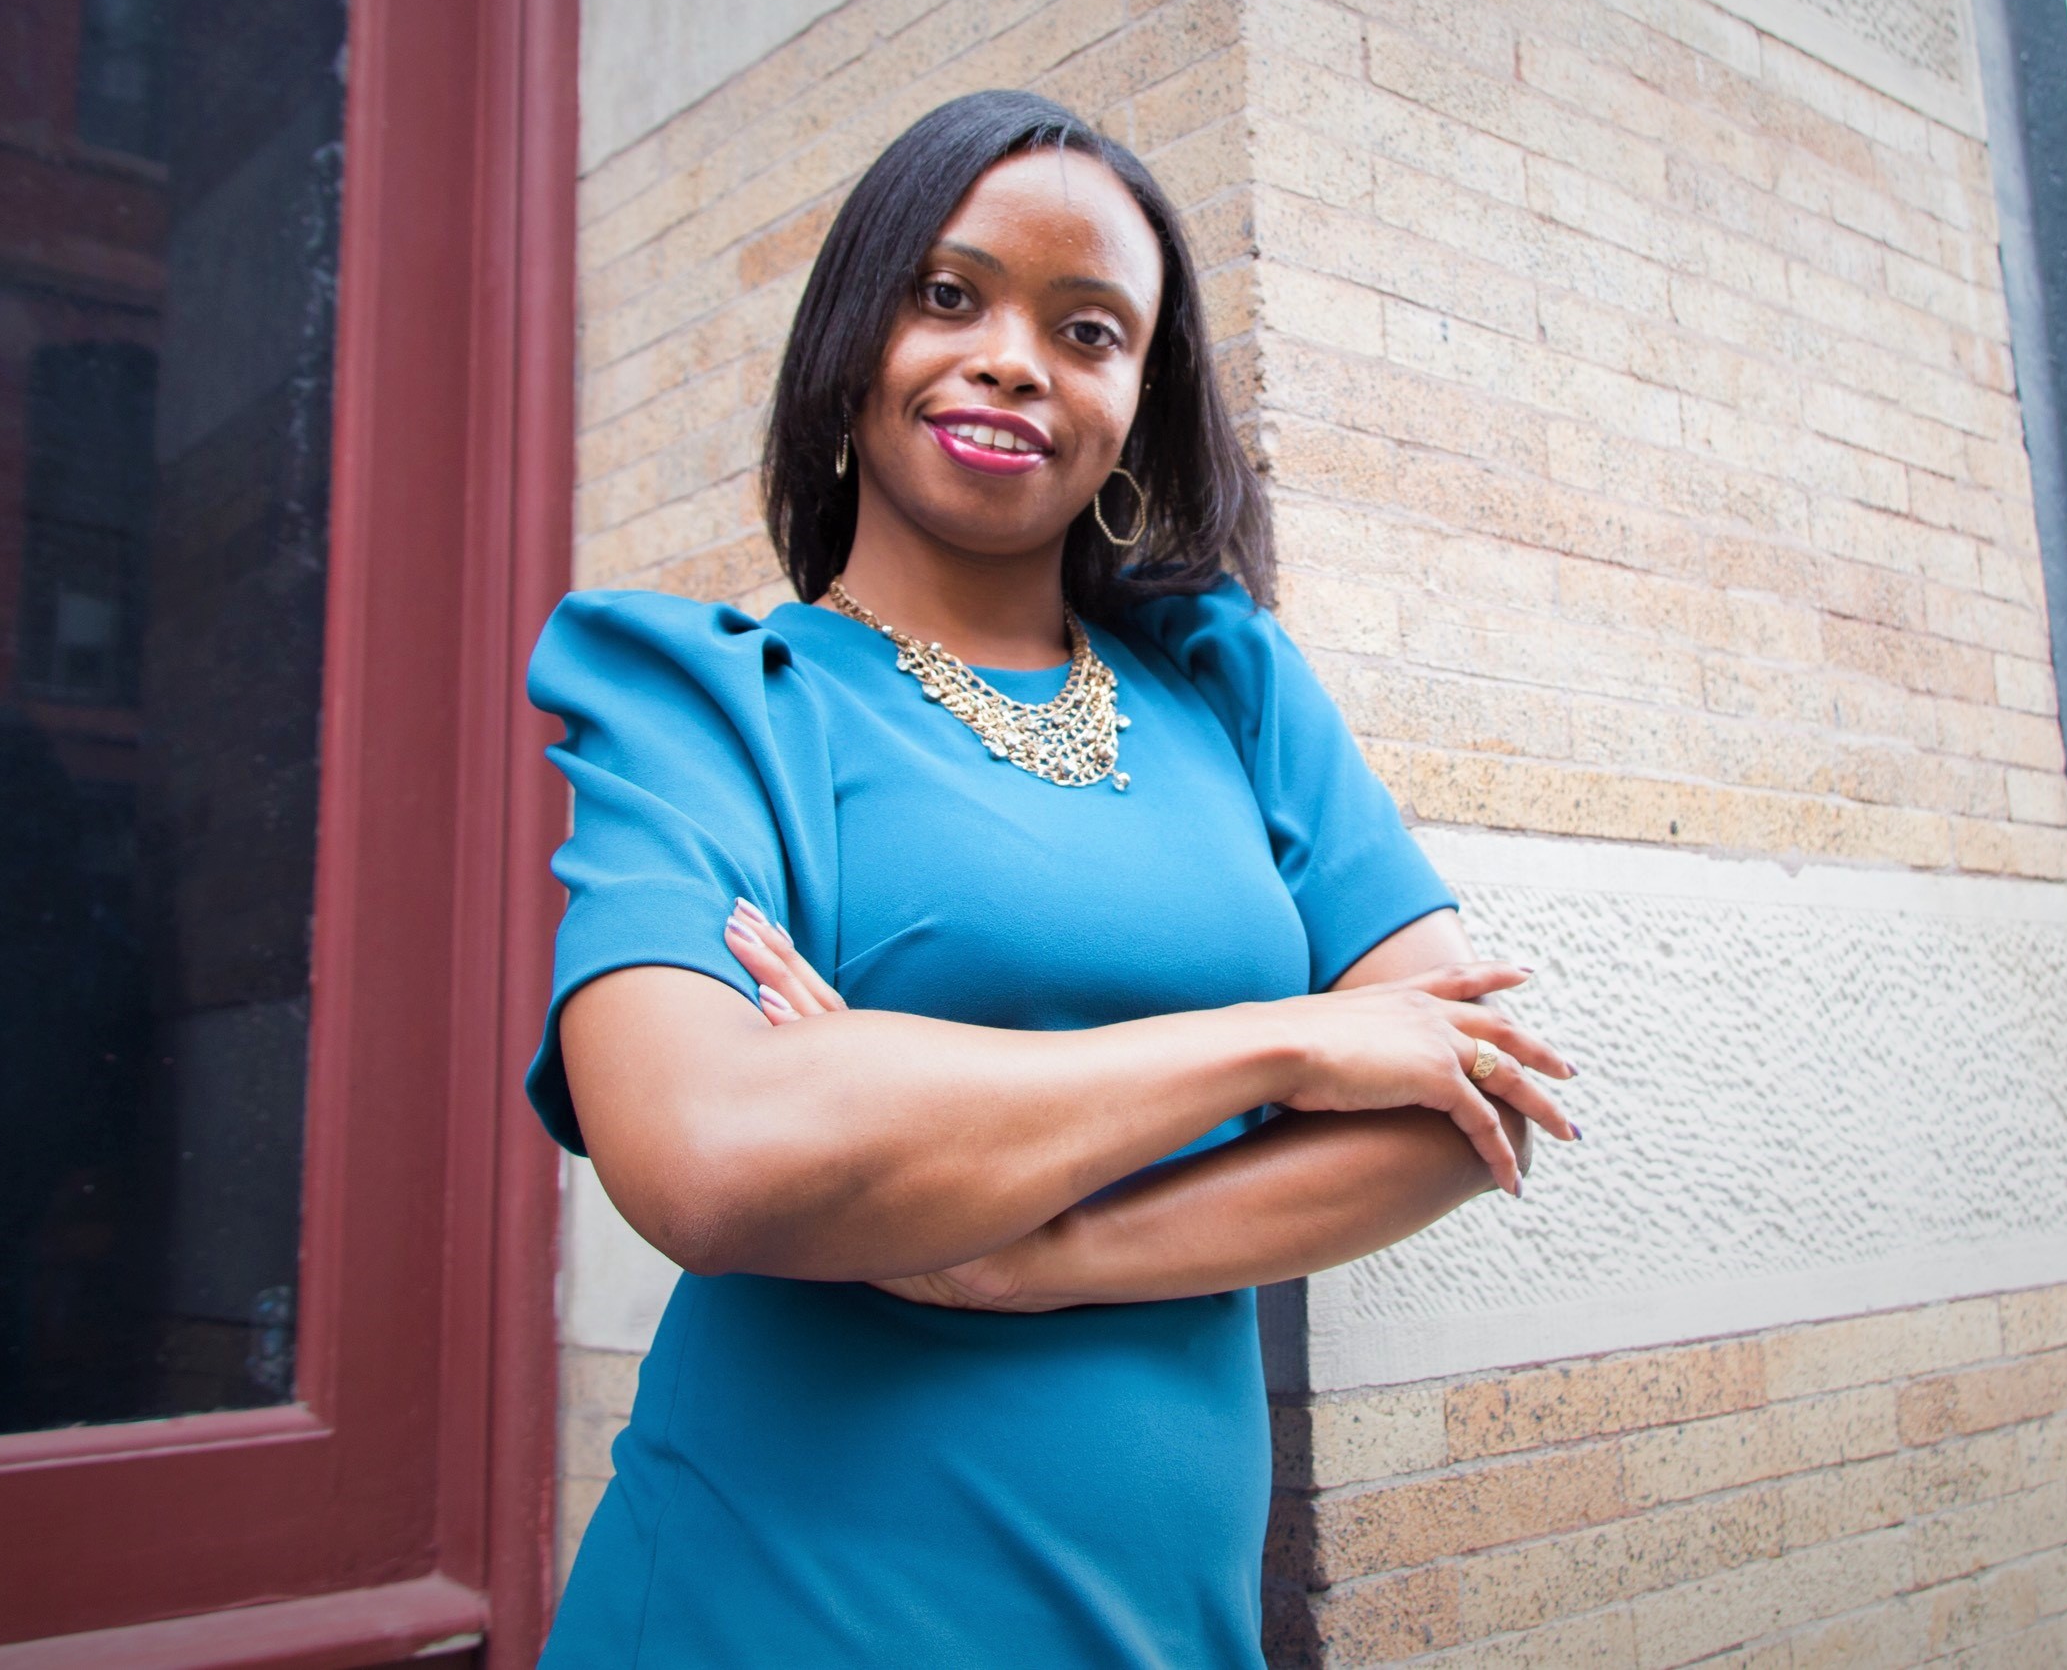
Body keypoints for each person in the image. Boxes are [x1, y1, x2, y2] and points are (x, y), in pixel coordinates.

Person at [527, 89, 1577, 1667]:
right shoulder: (704, 700)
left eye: (1088, 329)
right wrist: (1288, 1045)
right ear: (850, 332)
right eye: (948, 294)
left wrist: (1028, 1249)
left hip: (1157, 1624)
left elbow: (1464, 1097)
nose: (1015, 355)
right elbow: (705, 1150)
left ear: (1139, 397)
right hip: (773, 1605)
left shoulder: (1226, 683)